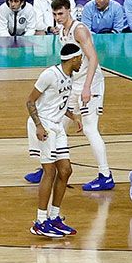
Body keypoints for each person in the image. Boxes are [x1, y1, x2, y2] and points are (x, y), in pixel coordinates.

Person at [33, 0, 115, 193]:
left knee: (89, 129)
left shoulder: (79, 30)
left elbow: (93, 58)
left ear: (69, 10)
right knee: (56, 123)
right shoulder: (62, 31)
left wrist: (87, 87)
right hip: (73, 85)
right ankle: (47, 165)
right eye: (54, 14)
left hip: (91, 84)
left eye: (60, 13)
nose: (58, 17)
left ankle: (105, 175)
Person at [30, 40, 86, 240]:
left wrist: (74, 117)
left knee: (66, 170)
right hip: (44, 124)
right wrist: (38, 126)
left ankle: (54, 217)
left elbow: (59, 104)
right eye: (80, 59)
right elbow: (30, 101)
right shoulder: (49, 75)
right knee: (50, 171)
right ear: (74, 58)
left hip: (57, 125)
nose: (82, 63)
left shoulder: (69, 76)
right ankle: (40, 221)